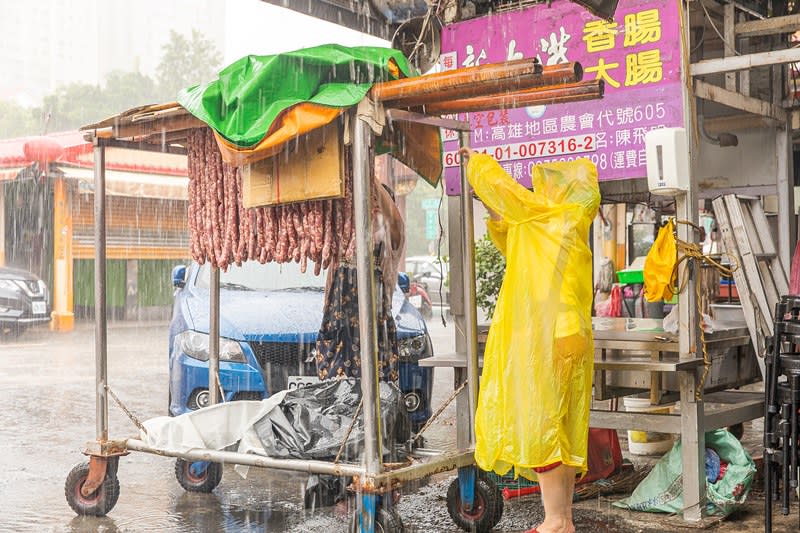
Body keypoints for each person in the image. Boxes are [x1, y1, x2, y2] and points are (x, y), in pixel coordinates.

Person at [459, 147, 600, 533]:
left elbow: (508, 193)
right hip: (571, 334)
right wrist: (494, 215)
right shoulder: (565, 222)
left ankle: (554, 520)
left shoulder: (551, 215)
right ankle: (563, 519)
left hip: (551, 335)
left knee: (543, 429)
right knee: (563, 429)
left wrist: (476, 164)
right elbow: (517, 247)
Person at [316, 179, 404, 382]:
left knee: (376, 391)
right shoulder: (345, 237)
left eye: (376, 205)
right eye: (367, 204)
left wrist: (369, 176)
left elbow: (395, 221)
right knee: (337, 395)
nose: (371, 210)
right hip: (339, 331)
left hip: (375, 329)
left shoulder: (391, 240)